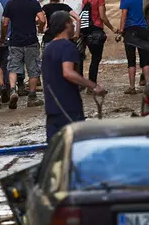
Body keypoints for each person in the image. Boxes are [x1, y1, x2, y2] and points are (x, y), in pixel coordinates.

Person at [42, 11, 106, 141]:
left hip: (52, 108)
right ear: (66, 25)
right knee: (76, 146)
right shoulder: (68, 47)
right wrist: (94, 85)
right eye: (72, 22)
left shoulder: (48, 49)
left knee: (55, 149)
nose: (73, 26)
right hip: (69, 106)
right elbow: (68, 72)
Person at [1, 0, 46, 109]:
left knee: (13, 67)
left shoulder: (10, 4)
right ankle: (32, 97)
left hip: (15, 41)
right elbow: (42, 19)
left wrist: (4, 37)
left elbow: (5, 24)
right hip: (31, 40)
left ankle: (13, 91)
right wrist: (40, 28)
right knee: (33, 69)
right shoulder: (33, 3)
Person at [118, 0, 149, 94]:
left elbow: (124, 16)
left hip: (130, 32)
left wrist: (121, 30)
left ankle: (132, 87)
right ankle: (148, 87)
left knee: (131, 61)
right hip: (143, 30)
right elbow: (147, 13)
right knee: (145, 61)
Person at [82, 0, 116, 85]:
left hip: (86, 31)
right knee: (95, 59)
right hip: (96, 31)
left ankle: (84, 83)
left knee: (88, 58)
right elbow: (102, 17)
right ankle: (92, 85)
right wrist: (112, 28)